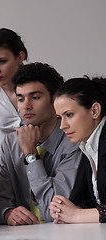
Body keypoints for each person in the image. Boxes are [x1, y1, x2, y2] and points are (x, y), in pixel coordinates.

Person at [0, 62, 84, 225]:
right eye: (20, 98)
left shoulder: (73, 141)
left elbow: (52, 211)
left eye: (35, 97)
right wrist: (7, 213)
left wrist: (30, 154)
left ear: (55, 100)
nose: (26, 106)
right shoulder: (10, 143)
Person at [49, 76, 106, 224]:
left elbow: (79, 213)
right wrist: (61, 209)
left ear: (94, 111)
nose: (62, 126)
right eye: (60, 118)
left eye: (69, 115)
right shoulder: (88, 146)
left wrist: (76, 215)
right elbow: (87, 200)